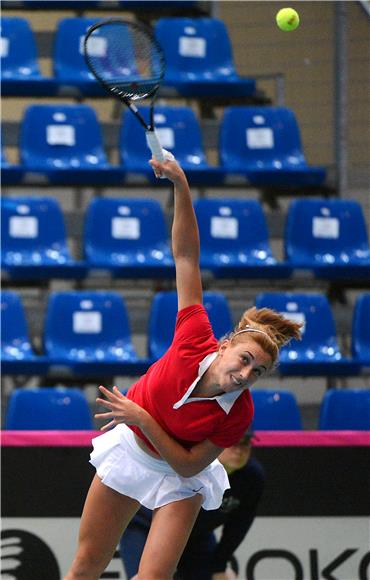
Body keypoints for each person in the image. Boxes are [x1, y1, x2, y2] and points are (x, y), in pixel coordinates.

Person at [65, 156, 301, 580]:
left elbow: (190, 465)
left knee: (154, 578)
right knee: (87, 565)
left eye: (259, 373)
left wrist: (142, 418)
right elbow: (186, 257)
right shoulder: (194, 335)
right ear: (226, 345)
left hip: (180, 476)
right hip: (132, 454)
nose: (246, 375)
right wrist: (181, 184)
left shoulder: (239, 414)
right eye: (245, 359)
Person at [120, 431, 265, 580]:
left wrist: (219, 565)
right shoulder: (193, 465)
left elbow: (240, 524)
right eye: (233, 443)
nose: (239, 450)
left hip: (196, 535)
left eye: (246, 443)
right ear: (217, 443)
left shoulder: (252, 477)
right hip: (147, 528)